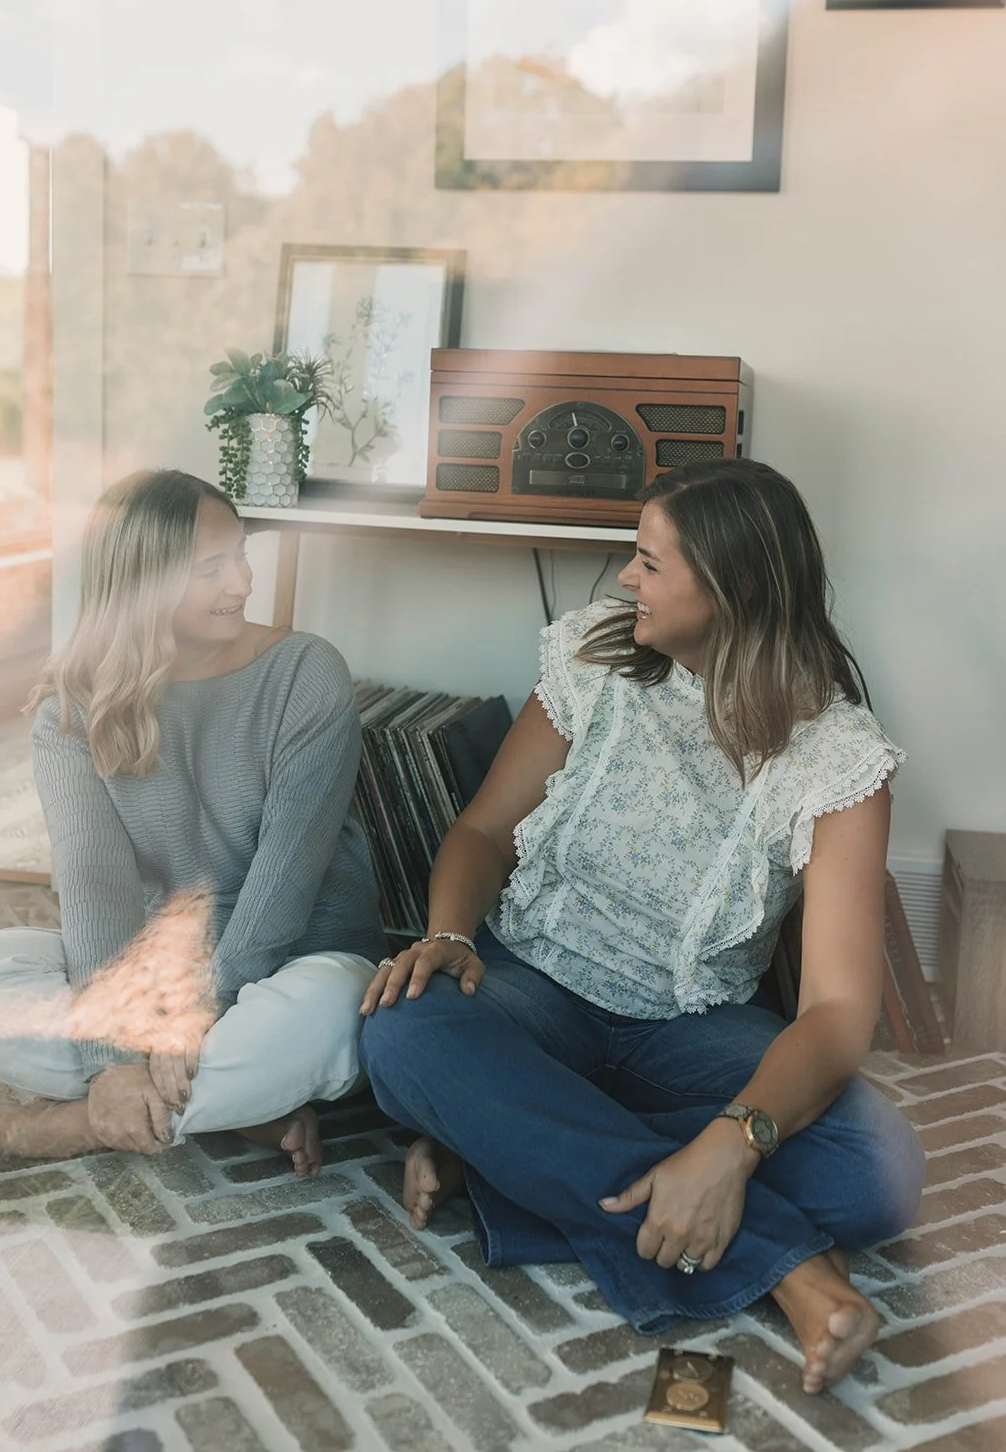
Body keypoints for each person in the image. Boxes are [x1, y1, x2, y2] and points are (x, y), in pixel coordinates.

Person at [359, 459, 925, 1395]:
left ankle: (508, 1150)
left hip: (692, 1026)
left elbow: (833, 1011)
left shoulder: (839, 758)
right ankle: (786, 1267)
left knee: (877, 1171)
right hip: (527, 984)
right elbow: (484, 829)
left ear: (735, 586)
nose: (625, 578)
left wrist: (731, 1140)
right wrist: (451, 937)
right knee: (403, 1029)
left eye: (649, 562)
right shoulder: (594, 655)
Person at [0, 469, 385, 1172]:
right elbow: (96, 881)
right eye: (210, 568)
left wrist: (200, 1014)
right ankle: (225, 1106)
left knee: (331, 1009)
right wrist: (115, 1051)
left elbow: (287, 877)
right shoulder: (71, 708)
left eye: (240, 555)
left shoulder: (306, 672)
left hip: (295, 959)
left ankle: (71, 1127)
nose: (241, 583)